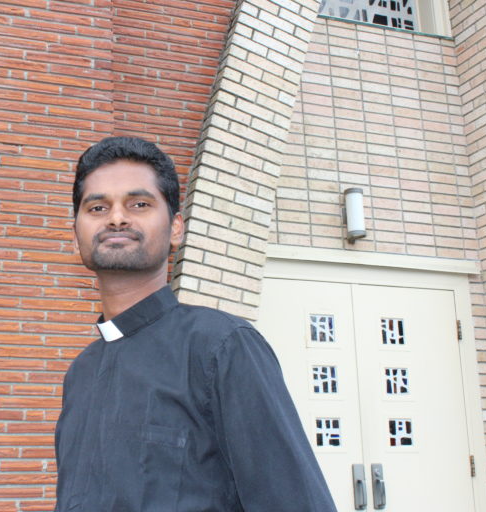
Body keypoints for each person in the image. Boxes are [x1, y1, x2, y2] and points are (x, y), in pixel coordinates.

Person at [53, 136, 337, 511]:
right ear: (76, 237)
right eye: (97, 207)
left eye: (139, 204)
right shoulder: (81, 374)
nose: (117, 217)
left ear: (175, 229)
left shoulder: (222, 346)